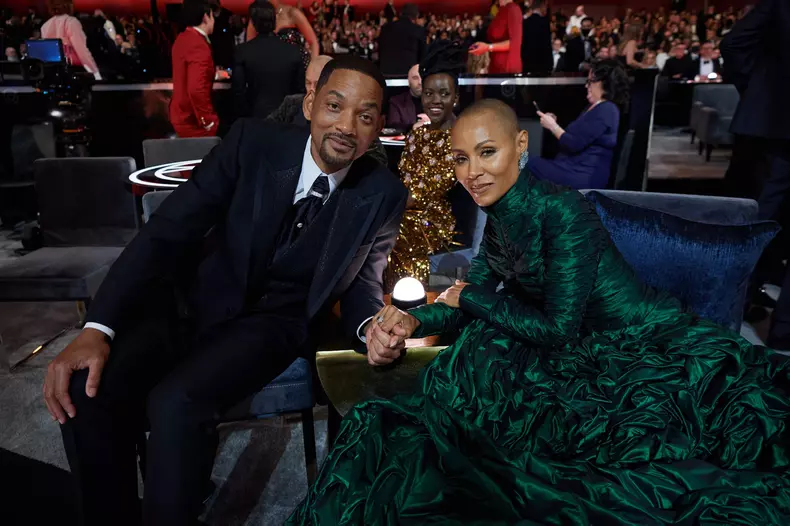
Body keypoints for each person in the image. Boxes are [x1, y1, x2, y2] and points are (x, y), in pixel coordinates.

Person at [288, 98, 790, 525]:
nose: (472, 173)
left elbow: (553, 326)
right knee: (460, 396)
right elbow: (471, 298)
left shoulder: (563, 211)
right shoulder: (500, 213)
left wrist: (469, 298)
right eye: (461, 159)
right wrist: (413, 319)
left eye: (487, 153)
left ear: (520, 147)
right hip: (577, 347)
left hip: (640, 345)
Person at [43, 56, 407, 526]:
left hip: (272, 325)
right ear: (311, 103)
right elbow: (169, 230)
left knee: (176, 402)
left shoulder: (383, 193)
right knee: (84, 388)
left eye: (364, 115)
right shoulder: (251, 143)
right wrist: (99, 325)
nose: (346, 126)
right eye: (335, 106)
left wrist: (370, 327)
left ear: (378, 126)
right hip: (190, 303)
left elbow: (362, 283)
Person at [721, 0, 790, 349]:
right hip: (773, 131)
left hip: (772, 130)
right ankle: (783, 336)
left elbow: (733, 44)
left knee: (754, 225)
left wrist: (762, 93)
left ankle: (725, 312)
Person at [389, 42, 462, 283]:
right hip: (405, 210)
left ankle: (413, 308)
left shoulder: (462, 139)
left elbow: (428, 192)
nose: (435, 101)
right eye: (429, 93)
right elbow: (405, 182)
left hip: (435, 219)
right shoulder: (416, 135)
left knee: (393, 234)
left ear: (456, 97)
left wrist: (386, 206)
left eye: (444, 93)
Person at [267, 55, 388, 166]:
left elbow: (377, 161)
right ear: (308, 104)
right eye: (308, 83)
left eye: (318, 83)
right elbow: (265, 132)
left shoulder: (363, 135)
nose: (312, 89)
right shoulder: (292, 104)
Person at [527, 59, 626, 189]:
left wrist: (553, 126)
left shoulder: (607, 109)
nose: (586, 86)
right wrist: (554, 124)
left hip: (582, 174)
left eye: (590, 81)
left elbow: (574, 144)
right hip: (570, 168)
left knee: (526, 162)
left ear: (603, 83)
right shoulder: (594, 107)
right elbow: (574, 137)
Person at [232, 0, 304, 119]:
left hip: (255, 118)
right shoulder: (293, 52)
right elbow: (299, 91)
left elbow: (238, 92)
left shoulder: (243, 51)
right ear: (274, 21)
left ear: (254, 23)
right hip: (287, 121)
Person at [169, 0, 219, 138]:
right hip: (193, 121)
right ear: (205, 17)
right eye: (212, 16)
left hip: (182, 115)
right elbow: (196, 89)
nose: (214, 20)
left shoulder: (182, 38)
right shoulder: (198, 45)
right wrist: (207, 121)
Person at [246, 0, 319, 69]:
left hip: (298, 69)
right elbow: (250, 48)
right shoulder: (256, 18)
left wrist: (312, 69)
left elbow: (313, 42)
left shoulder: (291, 13)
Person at [40, 0, 101, 79]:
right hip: (72, 71)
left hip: (52, 72)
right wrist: (95, 73)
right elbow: (81, 51)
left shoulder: (45, 26)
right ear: (68, 5)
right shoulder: (71, 22)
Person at [469, 0, 522, 74]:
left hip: (507, 68)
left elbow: (515, 43)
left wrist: (488, 47)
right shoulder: (501, 10)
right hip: (495, 67)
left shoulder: (513, 9)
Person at [378, 3, 426, 76]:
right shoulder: (418, 30)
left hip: (386, 73)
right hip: (409, 75)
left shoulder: (386, 28)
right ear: (416, 16)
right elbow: (423, 56)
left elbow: (380, 50)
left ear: (400, 14)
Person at [386, 64, 423, 131]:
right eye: (415, 78)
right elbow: (393, 128)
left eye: (423, 77)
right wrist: (413, 127)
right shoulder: (396, 102)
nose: (420, 82)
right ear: (408, 82)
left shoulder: (439, 101)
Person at [520, 0, 552, 74]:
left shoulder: (525, 23)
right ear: (542, 5)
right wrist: (550, 65)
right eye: (546, 6)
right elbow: (547, 46)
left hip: (527, 65)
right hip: (542, 66)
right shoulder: (544, 23)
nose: (546, 8)